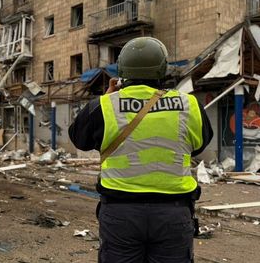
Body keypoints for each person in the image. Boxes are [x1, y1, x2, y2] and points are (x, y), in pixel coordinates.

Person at [69, 37, 213, 263]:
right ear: (163, 70)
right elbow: (200, 144)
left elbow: (79, 138)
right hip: (173, 213)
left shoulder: (104, 106)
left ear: (123, 71)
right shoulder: (189, 105)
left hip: (121, 214)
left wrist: (108, 98)